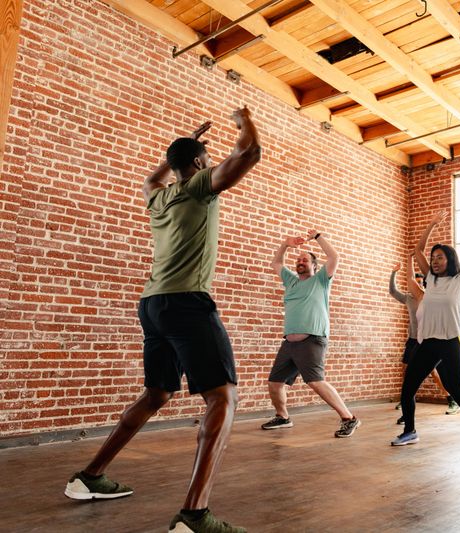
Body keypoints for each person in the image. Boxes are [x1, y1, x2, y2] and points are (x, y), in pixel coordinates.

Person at [64, 108, 262, 533]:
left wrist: (182, 149)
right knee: (223, 398)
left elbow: (153, 178)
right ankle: (194, 515)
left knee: (157, 394)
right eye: (204, 161)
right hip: (187, 303)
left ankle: (89, 476)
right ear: (196, 166)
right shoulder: (195, 189)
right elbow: (249, 154)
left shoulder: (158, 197)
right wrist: (244, 120)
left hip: (153, 305)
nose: (209, 165)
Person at [391, 210, 460, 458]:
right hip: (427, 343)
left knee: (458, 391)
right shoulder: (429, 279)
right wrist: (432, 223)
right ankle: (410, 431)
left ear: (450, 259)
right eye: (433, 258)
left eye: (440, 257)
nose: (435, 261)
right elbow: (418, 250)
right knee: (407, 389)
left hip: (451, 342)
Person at [260, 230, 360, 438]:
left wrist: (318, 236)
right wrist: (285, 245)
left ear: (315, 266)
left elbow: (334, 257)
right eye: (298, 260)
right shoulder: (291, 281)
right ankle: (283, 417)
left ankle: (349, 418)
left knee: (315, 381)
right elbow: (276, 264)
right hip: (289, 343)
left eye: (305, 260)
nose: (300, 262)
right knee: (275, 383)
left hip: (312, 340)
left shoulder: (322, 280)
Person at [390, 257, 460, 425]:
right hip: (413, 341)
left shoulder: (429, 298)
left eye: (422, 282)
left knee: (441, 376)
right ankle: (408, 410)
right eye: (417, 282)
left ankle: (453, 400)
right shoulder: (409, 298)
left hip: (432, 342)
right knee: (408, 375)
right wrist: (395, 271)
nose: (419, 284)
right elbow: (393, 290)